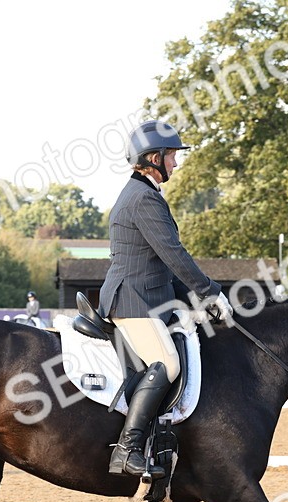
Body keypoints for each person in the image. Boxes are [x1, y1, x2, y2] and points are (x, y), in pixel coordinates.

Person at [97, 120, 234, 477]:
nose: (175, 162)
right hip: (132, 300)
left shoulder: (144, 193)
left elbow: (162, 265)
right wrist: (210, 292)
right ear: (154, 158)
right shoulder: (143, 198)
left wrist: (195, 301)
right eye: (171, 155)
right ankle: (126, 450)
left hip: (147, 296)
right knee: (167, 363)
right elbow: (174, 254)